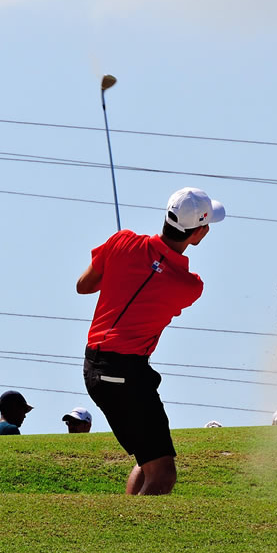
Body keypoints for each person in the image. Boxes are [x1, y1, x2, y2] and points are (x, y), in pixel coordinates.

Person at [77, 187, 225, 496]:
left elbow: (84, 285)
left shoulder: (122, 242)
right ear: (197, 234)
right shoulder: (189, 286)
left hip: (97, 366)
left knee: (151, 463)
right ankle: (135, 536)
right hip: (124, 372)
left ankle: (133, 527)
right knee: (163, 474)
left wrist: (118, 262)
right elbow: (158, 285)